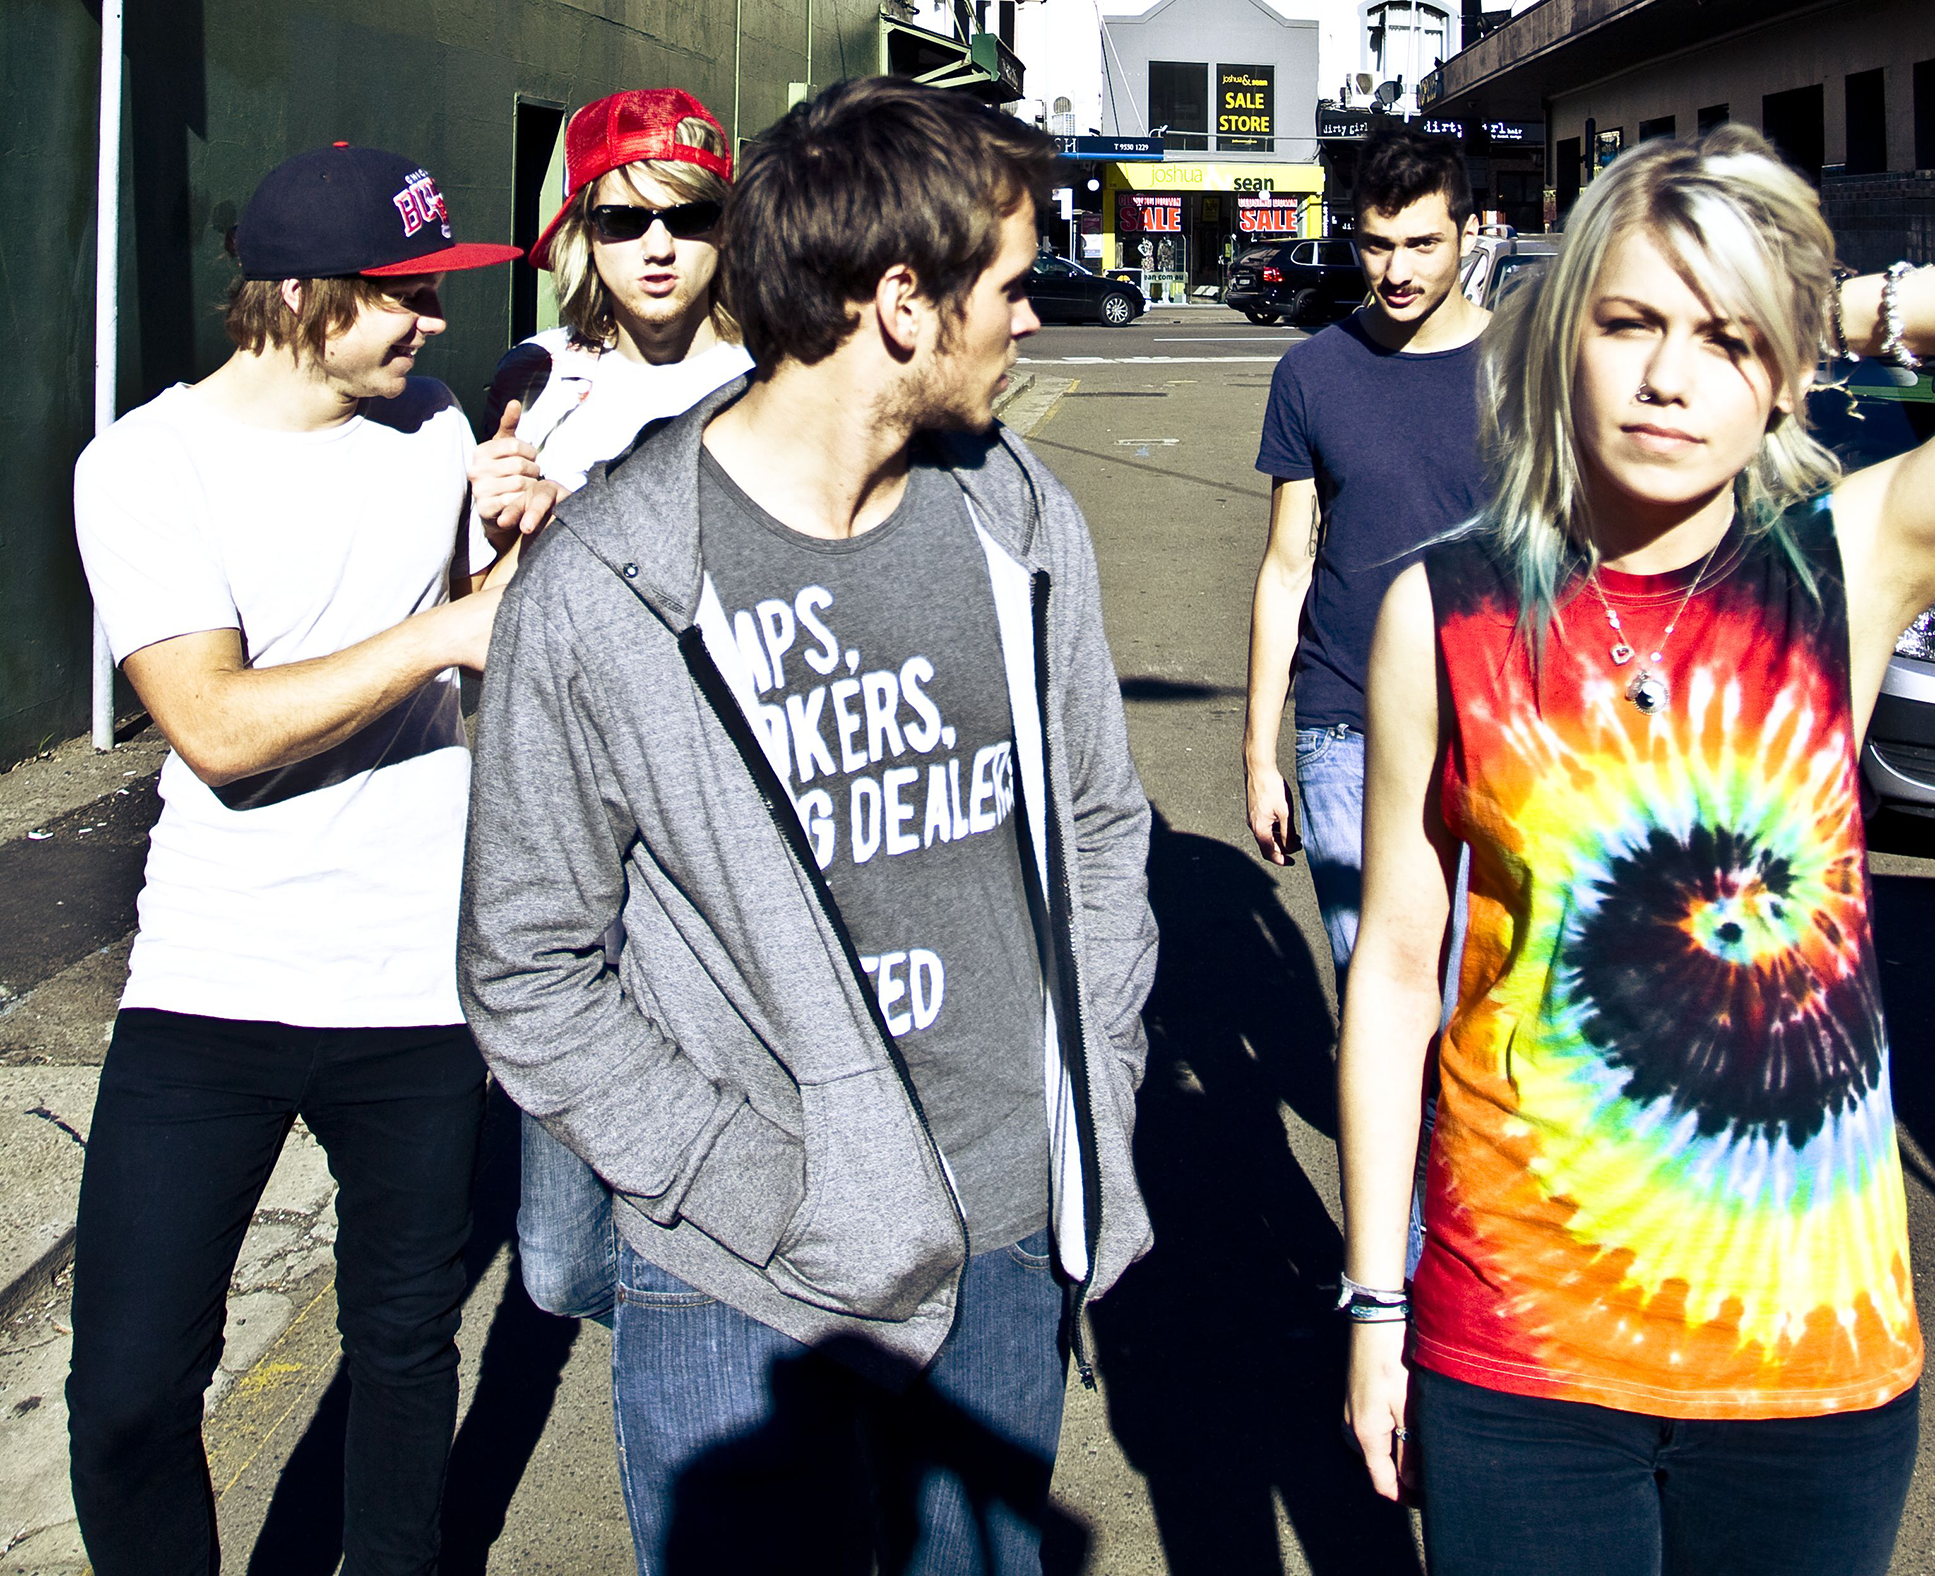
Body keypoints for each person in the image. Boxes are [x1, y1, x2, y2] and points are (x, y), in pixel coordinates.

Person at [459, 77, 1157, 1576]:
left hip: (1004, 1228)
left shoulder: (1017, 518)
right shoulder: (609, 585)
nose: (1030, 321)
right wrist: (746, 1184)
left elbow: (1100, 826)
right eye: (1010, 288)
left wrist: (1088, 1081)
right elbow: (528, 969)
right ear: (903, 303)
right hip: (742, 1271)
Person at [1340, 126, 1935, 1574]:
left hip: (1807, 1354)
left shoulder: (1844, 568)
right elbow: (1392, 969)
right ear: (1561, 339)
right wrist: (1375, 1299)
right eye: (1628, 322)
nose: (1667, 377)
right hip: (1519, 1346)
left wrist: (1843, 309)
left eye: (1724, 338)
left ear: (1782, 371)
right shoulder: (1442, 612)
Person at [66, 145, 519, 1575]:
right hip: (214, 979)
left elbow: (485, 615)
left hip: (414, 983)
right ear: (302, 296)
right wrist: (440, 632)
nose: (434, 322)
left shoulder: (435, 426)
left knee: (402, 1351)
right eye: (406, 294)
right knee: (126, 1394)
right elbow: (214, 728)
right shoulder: (144, 466)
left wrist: (511, 539)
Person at [467, 86, 752, 1325]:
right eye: (625, 218)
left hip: (733, 836)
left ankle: (722, 1349)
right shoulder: (538, 385)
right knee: (558, 1262)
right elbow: (481, 630)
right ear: (582, 231)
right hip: (584, 855)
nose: (658, 246)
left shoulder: (776, 381)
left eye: (688, 217)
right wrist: (504, 540)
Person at [1244, 128, 1487, 997]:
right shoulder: (1312, 374)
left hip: (1489, 724)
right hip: (1344, 725)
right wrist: (1258, 753)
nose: (1398, 271)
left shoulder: (1526, 368)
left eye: (1422, 244)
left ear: (1468, 233)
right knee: (1381, 992)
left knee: (1478, 1002)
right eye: (1378, 245)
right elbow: (1287, 569)